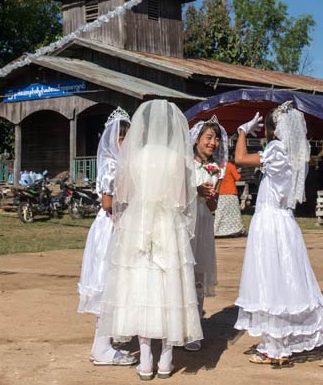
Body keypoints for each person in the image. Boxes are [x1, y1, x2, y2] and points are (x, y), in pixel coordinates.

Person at [233, 101, 323, 367]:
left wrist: (242, 132)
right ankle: (276, 344)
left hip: (271, 223)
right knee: (280, 283)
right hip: (279, 222)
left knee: (275, 281)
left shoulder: (277, 150)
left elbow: (240, 158)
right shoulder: (289, 152)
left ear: (275, 128)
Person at [97, 100, 202, 380]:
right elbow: (182, 200)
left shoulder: (134, 156)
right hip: (168, 223)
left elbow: (122, 195)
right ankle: (166, 360)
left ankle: (145, 361)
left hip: (138, 223)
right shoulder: (177, 158)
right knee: (171, 289)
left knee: (141, 288)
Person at [77, 108, 135, 366]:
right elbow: (107, 202)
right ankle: (101, 348)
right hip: (112, 228)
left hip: (120, 226)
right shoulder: (112, 165)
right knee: (107, 284)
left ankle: (107, 342)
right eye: (123, 138)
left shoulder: (122, 164)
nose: (126, 143)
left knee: (116, 286)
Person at [186, 116, 225, 352]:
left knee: (198, 276)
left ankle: (194, 330)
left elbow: (213, 207)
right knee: (183, 274)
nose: (214, 143)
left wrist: (210, 198)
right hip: (185, 225)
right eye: (209, 138)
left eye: (217, 139)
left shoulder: (215, 170)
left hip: (203, 226)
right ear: (197, 140)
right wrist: (195, 190)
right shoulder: (185, 165)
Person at [215, 156, 246, 237]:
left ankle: (218, 230)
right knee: (234, 212)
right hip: (231, 191)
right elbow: (237, 177)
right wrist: (238, 171)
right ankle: (236, 229)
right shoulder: (230, 165)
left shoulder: (219, 165)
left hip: (221, 192)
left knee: (221, 212)